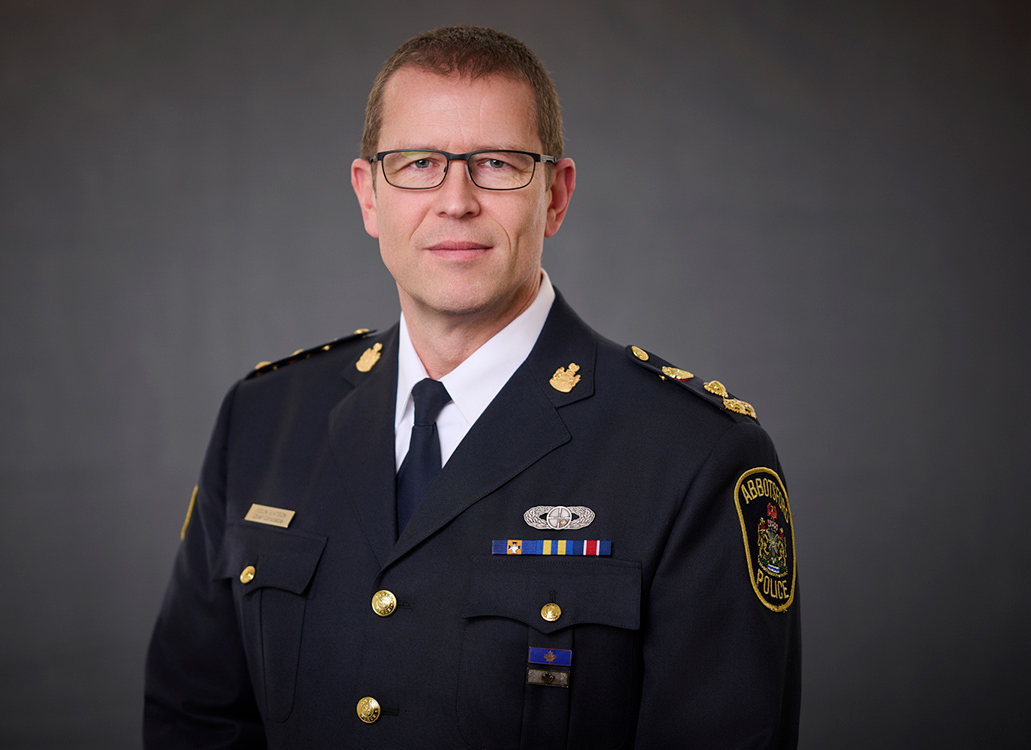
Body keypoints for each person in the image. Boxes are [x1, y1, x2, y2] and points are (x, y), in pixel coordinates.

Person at [145, 25, 799, 748]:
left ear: (555, 195)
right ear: (369, 196)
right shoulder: (261, 419)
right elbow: (194, 721)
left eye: (496, 163)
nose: (456, 200)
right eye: (419, 162)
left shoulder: (693, 454)